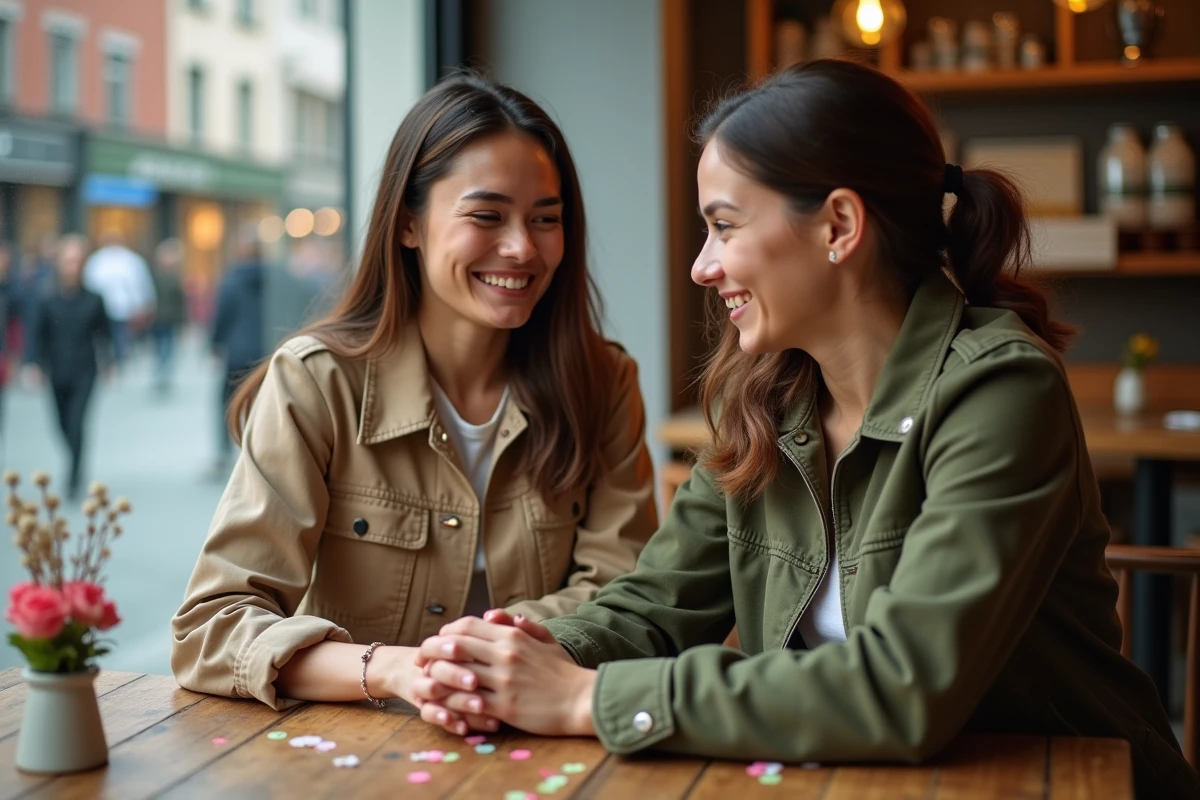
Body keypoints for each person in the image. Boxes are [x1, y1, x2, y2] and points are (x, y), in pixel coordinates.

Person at [410, 61, 1200, 799]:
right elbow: (655, 608)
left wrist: (588, 699)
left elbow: (902, 688)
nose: (702, 266)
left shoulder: (1000, 390)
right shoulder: (761, 397)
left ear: (839, 226)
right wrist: (520, 657)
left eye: (723, 226)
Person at [170, 74, 658, 724]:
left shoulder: (603, 383)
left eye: (546, 218)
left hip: (545, 735)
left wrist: (481, 659)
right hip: (360, 750)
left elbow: (625, 596)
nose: (522, 246)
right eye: (487, 216)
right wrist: (394, 667)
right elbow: (214, 627)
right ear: (408, 223)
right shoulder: (317, 383)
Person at [26, 235, 112, 501]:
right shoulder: (47, 297)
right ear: (60, 263)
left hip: (86, 370)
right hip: (57, 369)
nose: (72, 266)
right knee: (60, 424)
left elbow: (105, 333)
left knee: (77, 423)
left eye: (77, 261)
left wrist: (110, 362)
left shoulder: (94, 298)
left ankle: (74, 475)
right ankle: (74, 455)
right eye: (68, 261)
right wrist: (33, 364)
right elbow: (37, 334)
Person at [207, 224, 267, 476]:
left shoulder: (231, 279)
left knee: (227, 401)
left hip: (237, 352)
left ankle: (223, 452)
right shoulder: (271, 278)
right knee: (263, 403)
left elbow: (222, 316)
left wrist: (215, 345)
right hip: (266, 350)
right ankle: (262, 452)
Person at [83, 228, 155, 368]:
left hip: (123, 307)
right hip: (101, 307)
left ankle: (119, 358)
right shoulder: (97, 260)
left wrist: (142, 304)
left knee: (119, 335)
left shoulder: (130, 260)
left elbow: (140, 284)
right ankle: (111, 358)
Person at [149, 238, 188, 394]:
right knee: (160, 346)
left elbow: (180, 303)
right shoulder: (155, 277)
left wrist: (183, 322)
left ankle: (163, 373)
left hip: (169, 319)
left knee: (167, 347)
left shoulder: (174, 277)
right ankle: (161, 371)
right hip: (157, 318)